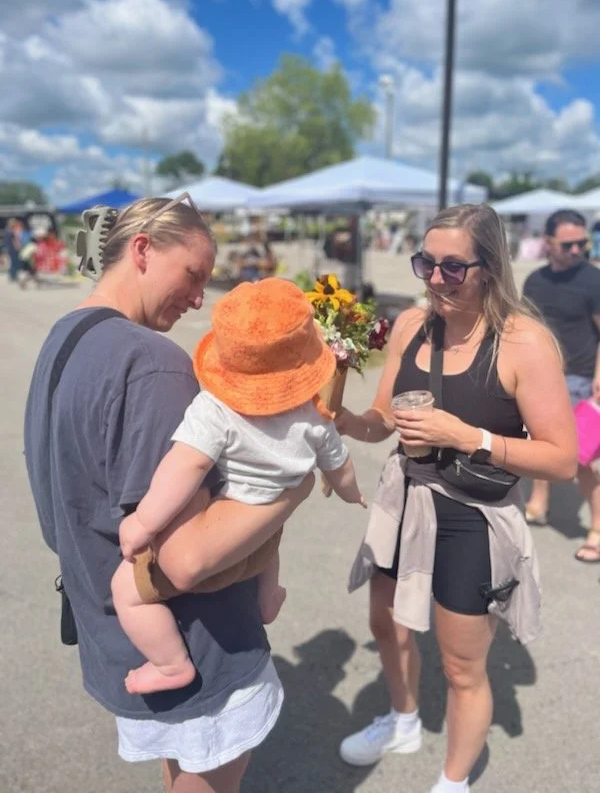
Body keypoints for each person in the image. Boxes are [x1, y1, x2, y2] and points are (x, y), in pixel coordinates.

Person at [24, 194, 315, 793]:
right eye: (193, 274)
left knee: (180, 766)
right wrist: (296, 483)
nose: (198, 298)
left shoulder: (63, 338)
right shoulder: (152, 362)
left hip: (114, 625)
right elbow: (187, 557)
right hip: (197, 636)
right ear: (142, 250)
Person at [335, 204, 577, 792]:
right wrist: (337, 415)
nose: (435, 280)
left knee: (462, 662)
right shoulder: (411, 326)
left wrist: (467, 437)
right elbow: (381, 420)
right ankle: (404, 719)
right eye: (425, 264)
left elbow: (562, 459)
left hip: (473, 516)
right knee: (387, 625)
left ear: (489, 269)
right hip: (407, 499)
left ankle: (454, 780)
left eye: (452, 268)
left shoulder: (524, 343)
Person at [112, 277, 366, 696]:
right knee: (271, 534)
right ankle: (269, 599)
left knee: (127, 592)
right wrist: (352, 495)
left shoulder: (215, 410)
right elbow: (340, 468)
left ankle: (171, 664)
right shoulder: (316, 417)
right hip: (263, 544)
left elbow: (185, 467)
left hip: (223, 544)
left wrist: (142, 522)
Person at [522, 209, 600, 562]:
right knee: (541, 444)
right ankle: (539, 503)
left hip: (580, 379)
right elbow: (526, 329)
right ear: (549, 243)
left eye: (581, 243)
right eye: (568, 244)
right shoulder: (535, 282)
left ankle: (597, 529)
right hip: (541, 378)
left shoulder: (593, 280)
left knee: (580, 460)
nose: (576, 250)